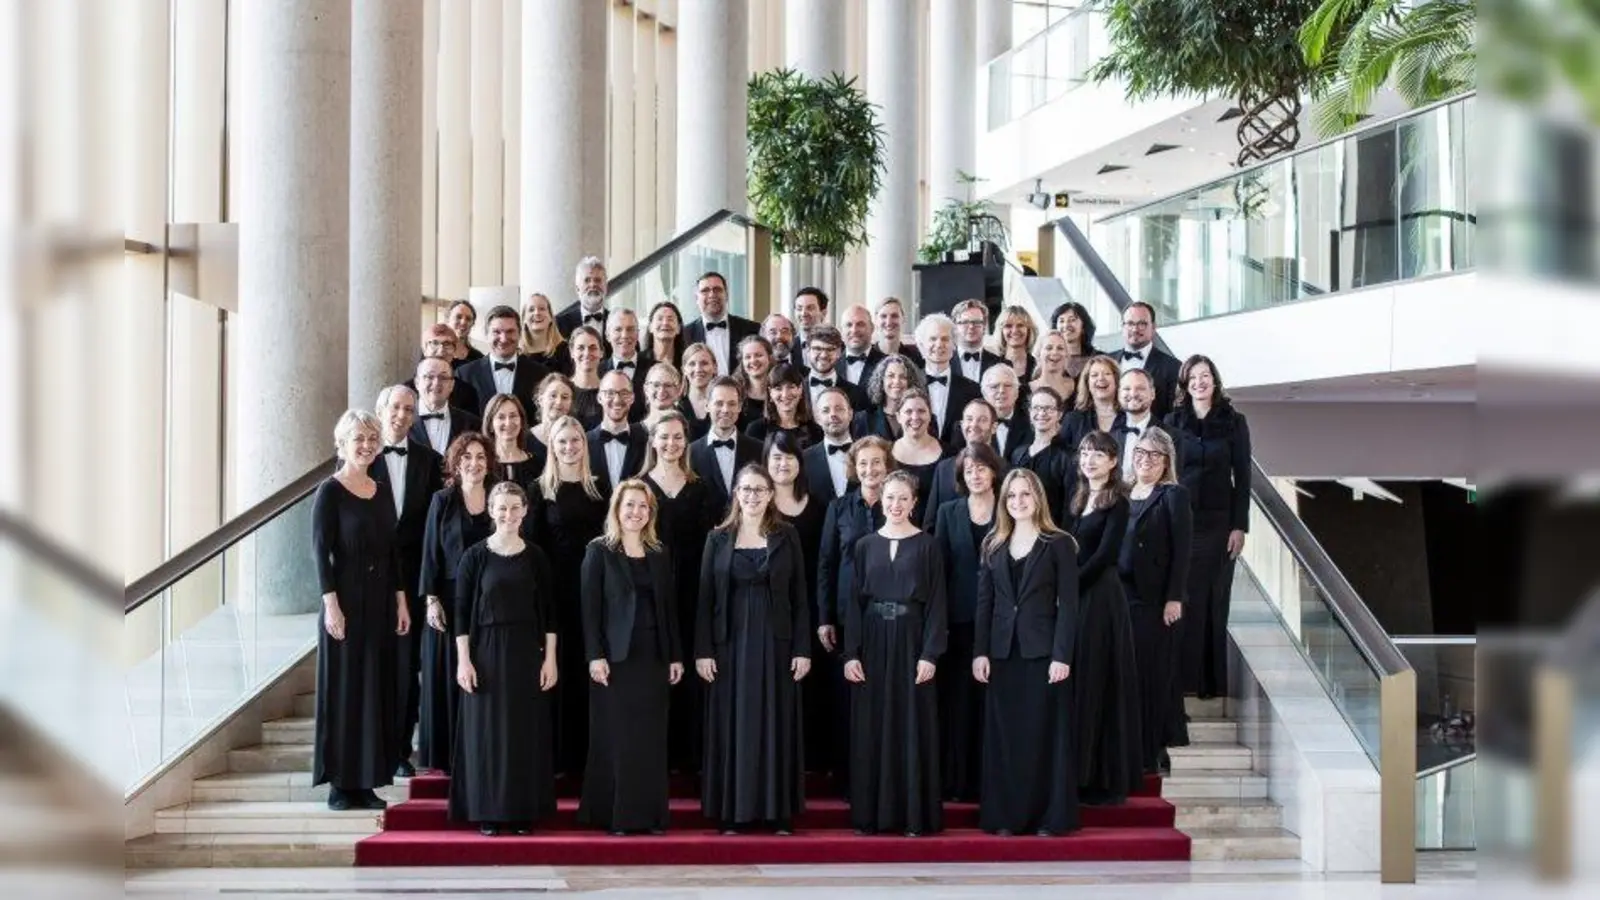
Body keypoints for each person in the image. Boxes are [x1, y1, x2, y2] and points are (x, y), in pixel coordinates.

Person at [696, 465, 813, 834]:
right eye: (746, 490)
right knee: (735, 724)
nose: (752, 496)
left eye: (760, 490)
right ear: (736, 494)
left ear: (770, 494)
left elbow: (800, 597)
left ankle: (777, 812)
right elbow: (705, 599)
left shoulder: (787, 535)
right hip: (729, 644)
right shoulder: (717, 538)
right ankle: (734, 811)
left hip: (776, 642)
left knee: (775, 721)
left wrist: (802, 648)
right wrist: (703, 651)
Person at [312, 410, 412, 811]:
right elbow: (320, 553)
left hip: (381, 601)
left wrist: (402, 600)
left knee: (375, 689)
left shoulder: (381, 488)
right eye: (359, 439)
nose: (368, 445)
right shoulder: (329, 491)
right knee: (345, 691)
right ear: (342, 444)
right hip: (346, 601)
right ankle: (341, 784)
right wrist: (331, 607)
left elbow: (394, 549)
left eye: (373, 438)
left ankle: (368, 780)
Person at [972, 468, 1080, 836]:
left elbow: (1069, 604)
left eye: (1025, 495)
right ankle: (1005, 818)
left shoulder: (1059, 543)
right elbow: (984, 603)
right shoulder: (993, 543)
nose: (1018, 502)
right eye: (1012, 496)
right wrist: (980, 652)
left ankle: (1048, 819)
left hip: (1043, 653)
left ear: (1038, 499)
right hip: (1002, 655)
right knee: (1006, 739)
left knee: (1043, 737)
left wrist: (1062, 655)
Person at [843, 470, 948, 836]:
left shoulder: (928, 545)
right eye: (890, 498)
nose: (896, 505)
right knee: (873, 724)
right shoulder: (864, 545)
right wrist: (850, 653)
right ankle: (872, 815)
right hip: (872, 640)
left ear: (914, 502)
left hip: (911, 640)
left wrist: (930, 653)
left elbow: (937, 603)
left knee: (910, 724)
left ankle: (912, 817)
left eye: (903, 498)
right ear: (880, 500)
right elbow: (853, 603)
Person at [450, 482, 559, 835]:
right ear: (491, 511)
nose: (508, 515)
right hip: (485, 652)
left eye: (514, 508)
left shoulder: (537, 556)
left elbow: (550, 613)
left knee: (523, 733)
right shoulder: (474, 557)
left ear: (525, 510)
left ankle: (522, 811)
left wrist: (551, 659)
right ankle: (489, 810)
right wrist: (463, 661)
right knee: (487, 734)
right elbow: (462, 612)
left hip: (527, 651)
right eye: (501, 508)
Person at [578, 480, 685, 835]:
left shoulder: (659, 552)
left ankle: (651, 815)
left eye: (642, 506)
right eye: (629, 506)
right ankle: (616, 816)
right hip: (615, 659)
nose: (636, 512)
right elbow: (590, 609)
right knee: (618, 736)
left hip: (653, 656)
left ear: (650, 512)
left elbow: (669, 609)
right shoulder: (599, 551)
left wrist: (675, 656)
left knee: (651, 737)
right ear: (617, 510)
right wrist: (595, 656)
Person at [524, 416, 610, 777]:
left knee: (589, 671)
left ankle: (590, 757)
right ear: (552, 446)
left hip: (595, 594)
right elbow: (531, 548)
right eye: (562, 441)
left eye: (576, 440)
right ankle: (557, 758)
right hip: (554, 594)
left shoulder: (600, 488)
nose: (570, 447)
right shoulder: (538, 490)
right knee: (557, 672)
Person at [1162, 354, 1251, 700]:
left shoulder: (1234, 421)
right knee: (1180, 598)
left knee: (1212, 601)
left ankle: (1209, 685)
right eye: (1193, 377)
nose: (1199, 382)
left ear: (1214, 381)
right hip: (1180, 521)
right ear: (1185, 385)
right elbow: (1166, 473)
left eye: (1205, 376)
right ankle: (1180, 682)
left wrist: (1239, 526)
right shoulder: (1172, 421)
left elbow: (1243, 477)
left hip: (1217, 525)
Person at [640, 411, 719, 774]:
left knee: (689, 665)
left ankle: (691, 755)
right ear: (653, 441)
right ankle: (658, 754)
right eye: (664, 437)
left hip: (692, 589)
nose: (670, 444)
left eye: (677, 437)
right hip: (649, 591)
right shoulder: (638, 487)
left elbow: (712, 545)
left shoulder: (701, 487)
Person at [371, 385, 443, 779]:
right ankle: (372, 747)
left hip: (412, 578)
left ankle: (400, 748)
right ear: (381, 410)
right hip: (368, 579)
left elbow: (432, 529)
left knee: (406, 667)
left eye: (408, 409)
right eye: (395, 407)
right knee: (374, 666)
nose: (401, 415)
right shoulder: (360, 457)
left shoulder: (428, 461)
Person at [815, 436, 895, 792]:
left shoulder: (899, 506)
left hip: (888, 617)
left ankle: (880, 774)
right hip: (847, 617)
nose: (870, 470)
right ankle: (848, 777)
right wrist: (824, 617)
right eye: (863, 463)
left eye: (877, 462)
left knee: (881, 694)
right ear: (854, 467)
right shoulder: (839, 507)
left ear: (888, 466)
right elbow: (826, 564)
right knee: (848, 696)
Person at [1068, 430, 1142, 805]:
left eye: (1099, 453)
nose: (1090, 459)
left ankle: (1099, 776)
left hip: (1100, 596)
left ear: (1113, 461)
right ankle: (1077, 771)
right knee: (1080, 679)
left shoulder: (1118, 502)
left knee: (1097, 677)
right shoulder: (1079, 499)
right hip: (1079, 595)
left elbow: (1105, 556)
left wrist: (1069, 585)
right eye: (1085, 452)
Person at [417, 432, 496, 774]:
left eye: (480, 457)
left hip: (491, 601)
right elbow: (430, 552)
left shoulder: (499, 497)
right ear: (456, 462)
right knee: (450, 675)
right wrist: (431, 599)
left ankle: (481, 748)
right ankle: (451, 754)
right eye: (467, 457)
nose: (474, 463)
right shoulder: (443, 500)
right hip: (449, 599)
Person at [931, 443, 1003, 802]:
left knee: (993, 704)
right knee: (959, 705)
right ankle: (958, 782)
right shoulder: (948, 512)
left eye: (981, 468)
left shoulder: (1009, 510)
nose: (975, 474)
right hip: (958, 623)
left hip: (1002, 622)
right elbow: (939, 572)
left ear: (993, 471)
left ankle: (991, 780)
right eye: (969, 469)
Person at [1120, 428, 1193, 773]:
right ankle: (1128, 746)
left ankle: (1154, 748)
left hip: (1154, 600)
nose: (1145, 460)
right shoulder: (1121, 493)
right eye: (1140, 453)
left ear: (1166, 461)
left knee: (1152, 674)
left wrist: (1174, 597)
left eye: (1153, 455)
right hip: (1120, 596)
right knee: (1127, 676)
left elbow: (1182, 551)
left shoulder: (1173, 495)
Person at [766, 432, 830, 784]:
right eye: (776, 457)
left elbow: (824, 563)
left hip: (806, 604)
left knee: (809, 681)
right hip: (769, 606)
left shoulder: (817, 505)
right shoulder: (756, 503)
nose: (782, 463)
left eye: (789, 457)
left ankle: (811, 759)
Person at [457, 305, 550, 417]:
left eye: (510, 331)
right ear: (486, 335)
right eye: (496, 332)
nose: (504, 339)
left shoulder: (540, 374)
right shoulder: (464, 375)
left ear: (519, 334)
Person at [689, 376, 763, 516]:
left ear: (740, 407)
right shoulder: (690, 453)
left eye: (732, 404)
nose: (725, 409)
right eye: (719, 403)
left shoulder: (758, 450)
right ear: (707, 405)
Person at [923, 398, 1001, 517]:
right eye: (969, 419)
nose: (974, 425)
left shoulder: (1006, 469)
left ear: (994, 427)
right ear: (962, 424)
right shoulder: (944, 469)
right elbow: (931, 521)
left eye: (982, 420)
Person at [1009, 387, 1075, 526]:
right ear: (1030, 412)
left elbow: (1070, 506)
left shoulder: (1068, 457)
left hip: (1053, 533)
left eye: (1048, 408)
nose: (1041, 413)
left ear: (1059, 414)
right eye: (1037, 408)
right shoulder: (1018, 454)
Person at [915, 313, 983, 448]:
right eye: (933, 339)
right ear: (921, 346)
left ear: (954, 346)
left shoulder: (973, 390)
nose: (939, 344)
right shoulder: (910, 386)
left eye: (945, 339)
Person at [1110, 302, 1181, 419]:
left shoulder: (1173, 367)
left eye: (1142, 324)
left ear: (1153, 328)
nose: (1135, 329)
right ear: (1122, 327)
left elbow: (1174, 415)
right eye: (1130, 323)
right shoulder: (1106, 362)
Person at [889, 389, 947, 527]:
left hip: (938, 533)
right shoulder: (885, 454)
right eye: (908, 412)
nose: (915, 417)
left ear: (930, 415)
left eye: (921, 411)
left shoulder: (950, 454)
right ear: (898, 416)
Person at [682, 271, 758, 375]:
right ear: (696, 298)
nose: (712, 294)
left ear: (726, 295)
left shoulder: (752, 329)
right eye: (705, 290)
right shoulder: (685, 334)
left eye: (717, 289)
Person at [588, 370, 649, 492]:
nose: (617, 400)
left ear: (632, 398)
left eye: (624, 393)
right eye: (610, 393)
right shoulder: (584, 443)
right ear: (599, 397)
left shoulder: (646, 441)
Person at [1117, 368, 1180, 483]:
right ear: (1118, 394)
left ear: (1152, 394)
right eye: (1127, 388)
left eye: (1140, 388)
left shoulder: (1173, 437)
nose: (1133, 393)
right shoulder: (1108, 433)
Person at [410, 357, 482, 456]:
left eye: (443, 378)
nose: (436, 383)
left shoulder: (472, 424)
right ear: (417, 383)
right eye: (429, 377)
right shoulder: (401, 421)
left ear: (452, 385)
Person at [744, 362, 823, 449]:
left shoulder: (815, 431)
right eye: (778, 389)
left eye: (791, 387)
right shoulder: (756, 430)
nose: (785, 394)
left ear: (800, 389)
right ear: (770, 393)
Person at [802, 386, 855, 507]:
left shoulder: (867, 454)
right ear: (817, 418)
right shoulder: (804, 459)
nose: (833, 415)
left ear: (850, 414)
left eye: (839, 409)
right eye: (826, 410)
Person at [853, 353, 925, 441]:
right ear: (881, 381)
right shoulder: (863, 419)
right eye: (891, 376)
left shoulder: (921, 417)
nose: (896, 381)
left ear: (910, 382)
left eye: (903, 377)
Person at [1062, 354, 1123, 454]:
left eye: (1107, 373)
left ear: (1116, 380)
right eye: (1094, 375)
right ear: (1087, 383)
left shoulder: (1130, 417)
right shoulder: (1073, 420)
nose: (1101, 378)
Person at [412, 323, 481, 412]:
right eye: (434, 343)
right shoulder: (408, 390)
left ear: (454, 351)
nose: (441, 350)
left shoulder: (468, 393)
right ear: (424, 349)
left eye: (447, 344)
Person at [800, 324, 869, 411]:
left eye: (830, 349)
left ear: (839, 352)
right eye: (817, 348)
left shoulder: (857, 394)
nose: (824, 355)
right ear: (808, 351)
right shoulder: (795, 390)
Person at [600, 308, 650, 419]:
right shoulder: (597, 372)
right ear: (608, 335)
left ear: (637, 334)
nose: (624, 335)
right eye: (618, 329)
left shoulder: (654, 369)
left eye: (630, 329)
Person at [484, 394, 538, 487]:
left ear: (521, 421)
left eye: (513, 416)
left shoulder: (538, 465)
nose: (508, 423)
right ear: (490, 425)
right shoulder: (483, 465)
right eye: (501, 417)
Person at [981, 364, 1032, 459]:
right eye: (994, 386)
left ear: (1017, 393)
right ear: (984, 393)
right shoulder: (971, 426)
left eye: (1008, 385)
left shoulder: (1031, 425)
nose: (1001, 391)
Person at [528, 373, 576, 472]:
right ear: (540, 399)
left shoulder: (577, 439)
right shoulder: (525, 439)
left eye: (565, 397)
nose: (559, 402)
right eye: (553, 395)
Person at [557, 255, 611, 341]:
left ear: (606, 286)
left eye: (598, 280)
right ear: (577, 288)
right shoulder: (560, 324)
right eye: (587, 280)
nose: (593, 285)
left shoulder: (616, 322)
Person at [519, 292, 574, 376]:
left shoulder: (566, 351)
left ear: (551, 317)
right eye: (531, 310)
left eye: (542, 309)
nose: (537, 313)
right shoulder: (516, 353)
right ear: (524, 320)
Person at [951, 299, 1004, 384]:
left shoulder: (1000, 364)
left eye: (976, 322)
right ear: (955, 327)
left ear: (984, 326)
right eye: (965, 322)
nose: (971, 326)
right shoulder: (943, 362)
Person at [566, 325, 606, 429]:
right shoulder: (563, 389)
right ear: (572, 352)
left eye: (593, 348)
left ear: (601, 352)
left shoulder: (609, 390)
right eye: (580, 348)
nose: (587, 353)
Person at [1050, 301, 1098, 382]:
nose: (1066, 325)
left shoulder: (1098, 358)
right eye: (1061, 321)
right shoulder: (1050, 358)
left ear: (1083, 326)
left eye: (1072, 320)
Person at [735, 334, 775, 430]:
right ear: (742, 362)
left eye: (758, 355)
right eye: (748, 357)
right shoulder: (735, 393)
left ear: (769, 358)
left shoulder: (780, 391)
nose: (753, 360)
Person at [677, 343, 717, 438]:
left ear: (715, 368)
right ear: (684, 370)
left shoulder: (723, 405)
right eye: (692, 364)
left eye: (704, 363)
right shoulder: (676, 408)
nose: (698, 369)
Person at [1031, 330, 1079, 410]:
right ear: (1039, 354)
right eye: (1049, 348)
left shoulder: (1079, 387)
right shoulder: (1024, 391)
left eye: (1060, 348)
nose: (1054, 352)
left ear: (1066, 355)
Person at [873, 297, 924, 369]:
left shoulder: (916, 357)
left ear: (903, 319)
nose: (888, 322)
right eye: (883, 316)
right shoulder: (866, 356)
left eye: (894, 316)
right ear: (876, 320)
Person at [992, 305, 1039, 384]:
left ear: (1029, 330)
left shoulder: (1038, 366)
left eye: (1020, 325)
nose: (1014, 330)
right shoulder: (992, 366)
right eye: (1008, 326)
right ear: (1001, 331)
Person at [838, 304, 881, 387]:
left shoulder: (885, 363)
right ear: (842, 331)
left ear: (872, 328)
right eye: (849, 325)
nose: (854, 330)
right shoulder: (832, 364)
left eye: (860, 324)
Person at [641, 301, 686, 371]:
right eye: (660, 319)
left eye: (670, 319)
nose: (665, 323)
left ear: (678, 329)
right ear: (650, 327)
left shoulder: (687, 362)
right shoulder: (639, 362)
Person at [641, 362, 686, 430]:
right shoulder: (631, 433)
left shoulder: (688, 430)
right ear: (646, 389)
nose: (661, 391)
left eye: (668, 385)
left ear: (678, 390)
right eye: (656, 385)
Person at [789, 286, 829, 357]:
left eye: (810, 308)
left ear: (823, 313)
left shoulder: (838, 347)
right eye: (799, 308)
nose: (803, 313)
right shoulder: (788, 348)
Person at [445, 300, 485, 367]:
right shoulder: (433, 353)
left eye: (468, 319)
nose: (463, 322)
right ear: (447, 320)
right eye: (458, 317)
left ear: (472, 324)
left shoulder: (479, 359)